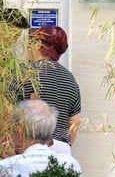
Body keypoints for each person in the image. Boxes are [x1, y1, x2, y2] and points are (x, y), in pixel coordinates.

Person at [12, 26, 81, 154]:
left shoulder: (24, 73)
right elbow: (75, 121)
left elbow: (7, 114)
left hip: (30, 147)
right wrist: (64, 145)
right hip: (62, 149)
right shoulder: (70, 79)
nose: (28, 48)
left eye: (30, 43)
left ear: (38, 44)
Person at [0, 99, 81, 177]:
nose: (9, 134)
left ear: (20, 131)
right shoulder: (71, 164)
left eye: (11, 129)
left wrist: (2, 159)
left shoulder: (5, 168)